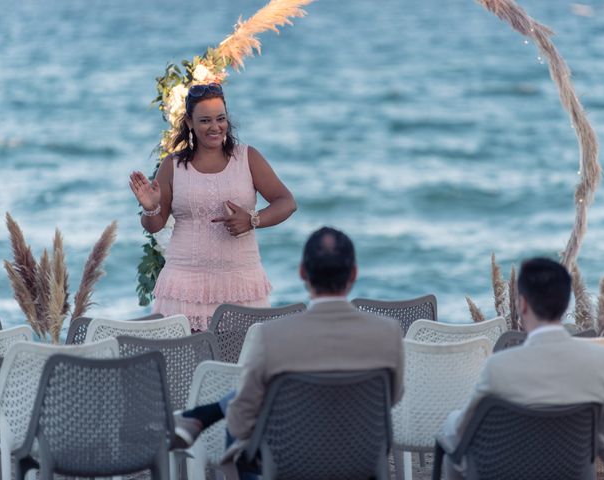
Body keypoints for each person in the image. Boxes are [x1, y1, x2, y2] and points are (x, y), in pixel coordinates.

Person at [174, 226, 405, 468]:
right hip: (360, 460)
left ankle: (199, 417)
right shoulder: (388, 333)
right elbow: (393, 397)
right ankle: (200, 417)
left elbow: (239, 424)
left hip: (292, 464)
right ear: (354, 273)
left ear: (303, 272)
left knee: (245, 421)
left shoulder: (272, 336)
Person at [129, 83, 297, 331]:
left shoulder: (247, 158)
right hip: (185, 287)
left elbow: (287, 202)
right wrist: (151, 208)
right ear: (189, 122)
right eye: (205, 120)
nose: (215, 127)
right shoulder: (172, 165)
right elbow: (155, 226)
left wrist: (252, 220)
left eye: (221, 118)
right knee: (188, 367)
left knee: (241, 364)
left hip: (240, 283)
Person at [438, 257, 604, 479]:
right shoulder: (599, 362)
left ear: (523, 304)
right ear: (566, 303)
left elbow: (461, 435)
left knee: (452, 446)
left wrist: (449, 422)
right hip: (571, 472)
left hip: (508, 473)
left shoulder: (498, 367)